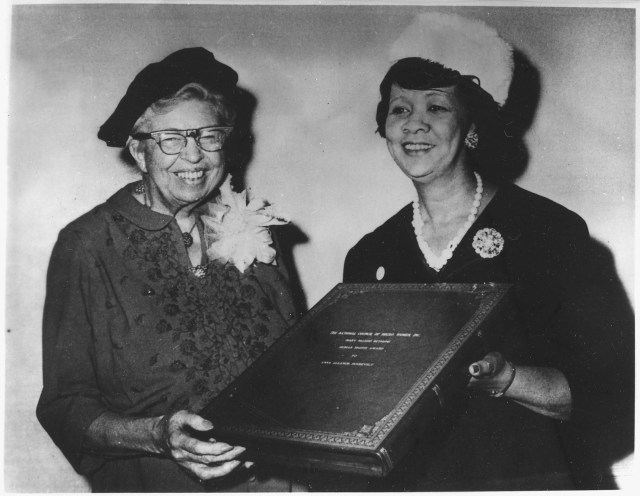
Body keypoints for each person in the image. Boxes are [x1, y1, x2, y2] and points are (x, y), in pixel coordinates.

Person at [343, 13, 633, 491]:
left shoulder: (549, 232)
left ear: (472, 125)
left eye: (436, 108)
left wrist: (508, 379)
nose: (415, 124)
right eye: (400, 110)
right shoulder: (370, 254)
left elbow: (609, 395)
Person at [36, 47, 308, 492]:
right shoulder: (87, 245)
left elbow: (297, 367)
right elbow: (65, 406)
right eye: (173, 139)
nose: (195, 156)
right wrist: (158, 435)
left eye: (209, 136)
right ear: (140, 151)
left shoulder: (259, 229)